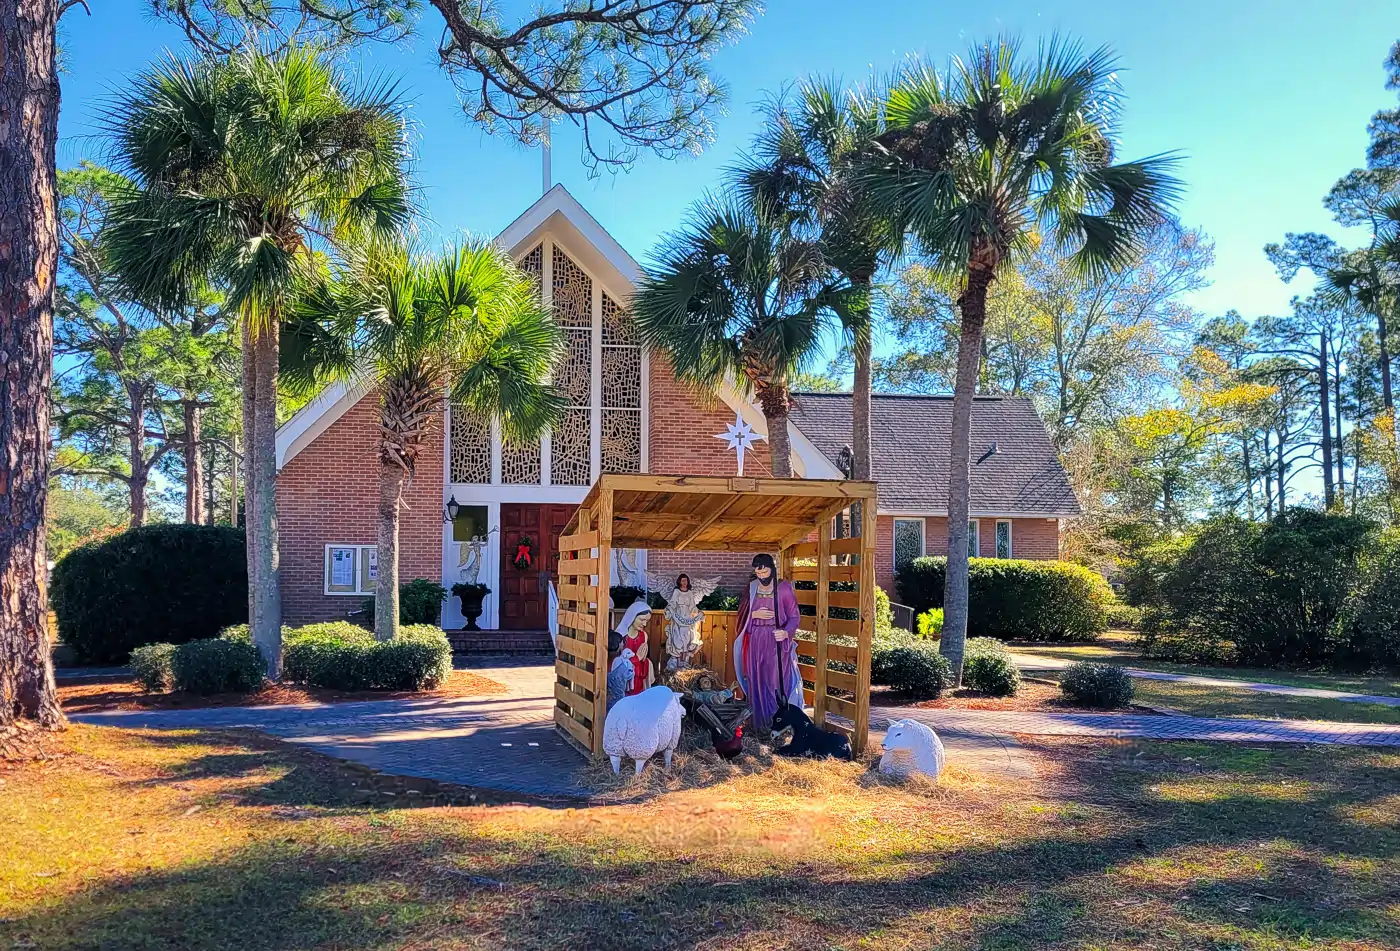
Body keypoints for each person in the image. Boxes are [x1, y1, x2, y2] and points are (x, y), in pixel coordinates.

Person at [733, 553, 802, 732]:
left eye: (765, 572)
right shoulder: (751, 589)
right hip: (756, 639)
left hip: (776, 640)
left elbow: (794, 616)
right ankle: (759, 726)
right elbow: (741, 616)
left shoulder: (784, 588)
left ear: (772, 569)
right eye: (759, 573)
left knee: (774, 681)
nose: (762, 576)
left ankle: (777, 724)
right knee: (756, 680)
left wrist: (786, 632)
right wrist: (753, 615)